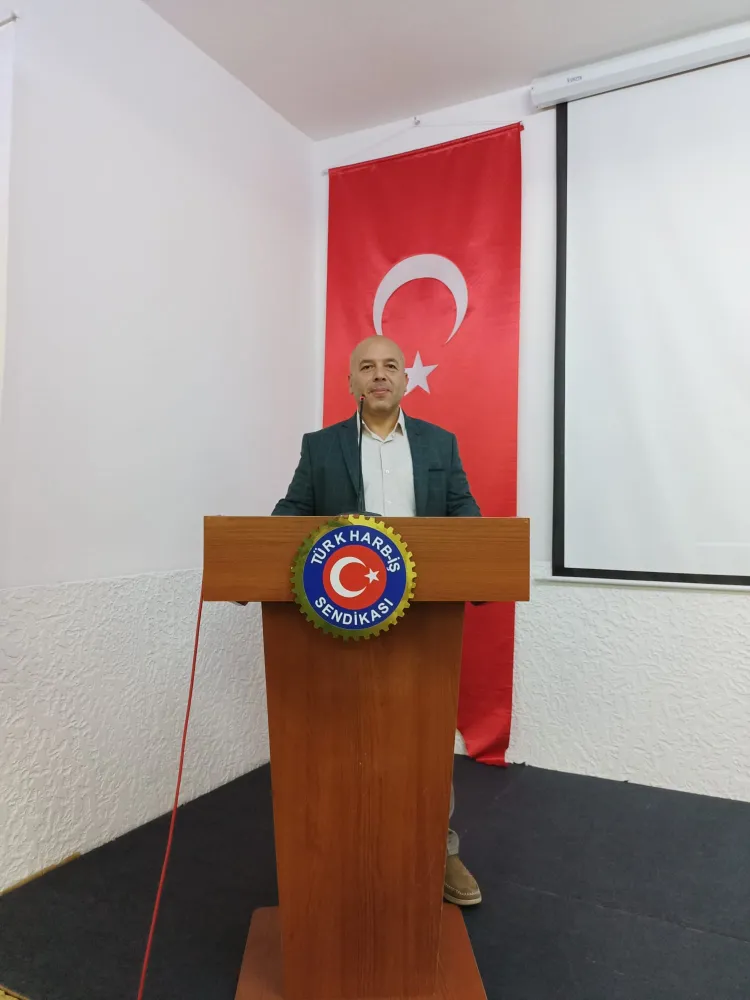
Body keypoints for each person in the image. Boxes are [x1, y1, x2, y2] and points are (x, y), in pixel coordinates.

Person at [272, 334, 482, 907]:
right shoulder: (321, 447)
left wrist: (483, 553)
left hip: (424, 619)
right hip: (345, 618)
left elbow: (464, 513)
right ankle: (344, 853)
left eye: (391, 365)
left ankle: (440, 850)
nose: (380, 374)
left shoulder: (440, 443)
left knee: (427, 739)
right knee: (345, 738)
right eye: (367, 366)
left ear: (406, 380)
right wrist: (255, 556)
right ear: (352, 382)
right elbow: (292, 512)